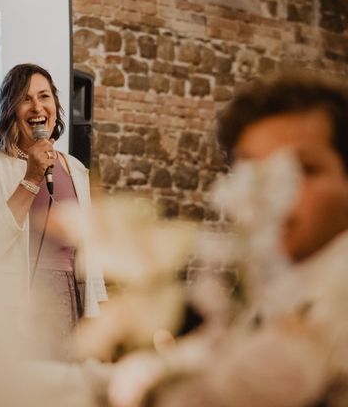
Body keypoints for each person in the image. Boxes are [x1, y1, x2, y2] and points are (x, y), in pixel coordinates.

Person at [109, 73, 348, 407]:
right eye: (255, 173)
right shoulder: (268, 280)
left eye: (303, 169)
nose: (275, 194)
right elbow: (213, 354)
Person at [0, 63, 107, 360]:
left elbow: (90, 251)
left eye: (44, 96)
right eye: (25, 99)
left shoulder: (76, 169)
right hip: (19, 304)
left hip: (72, 300)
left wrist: (98, 316)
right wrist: (31, 177)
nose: (37, 107)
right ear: (9, 109)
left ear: (55, 104)